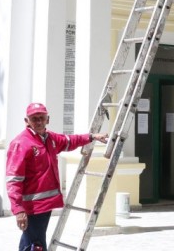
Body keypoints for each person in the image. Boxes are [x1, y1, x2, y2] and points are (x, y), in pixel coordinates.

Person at [6, 102, 109, 251]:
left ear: (48, 119)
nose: (39, 122)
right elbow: (13, 180)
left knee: (34, 242)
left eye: (42, 118)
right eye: (34, 119)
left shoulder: (50, 139)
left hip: (44, 205)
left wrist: (92, 137)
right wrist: (18, 209)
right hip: (32, 207)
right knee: (35, 245)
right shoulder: (21, 143)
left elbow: (70, 141)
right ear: (26, 121)